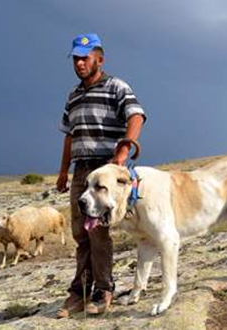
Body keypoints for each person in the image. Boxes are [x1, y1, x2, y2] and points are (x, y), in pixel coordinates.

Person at [55, 33, 146, 318]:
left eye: (85, 58)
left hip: (104, 171)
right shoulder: (73, 95)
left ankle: (103, 289)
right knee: (80, 233)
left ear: (99, 59)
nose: (80, 63)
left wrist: (124, 149)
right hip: (81, 170)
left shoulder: (116, 86)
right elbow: (70, 135)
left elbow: (136, 115)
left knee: (98, 233)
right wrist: (63, 171)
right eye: (76, 58)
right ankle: (80, 291)